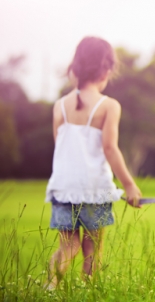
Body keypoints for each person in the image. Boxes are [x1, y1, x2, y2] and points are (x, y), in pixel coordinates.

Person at [45, 36, 142, 289]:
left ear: (75, 68)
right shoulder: (109, 106)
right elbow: (110, 148)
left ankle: (49, 286)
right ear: (106, 70)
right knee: (92, 250)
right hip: (94, 190)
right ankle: (89, 293)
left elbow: (60, 147)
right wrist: (129, 185)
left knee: (68, 246)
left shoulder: (60, 106)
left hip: (64, 188)